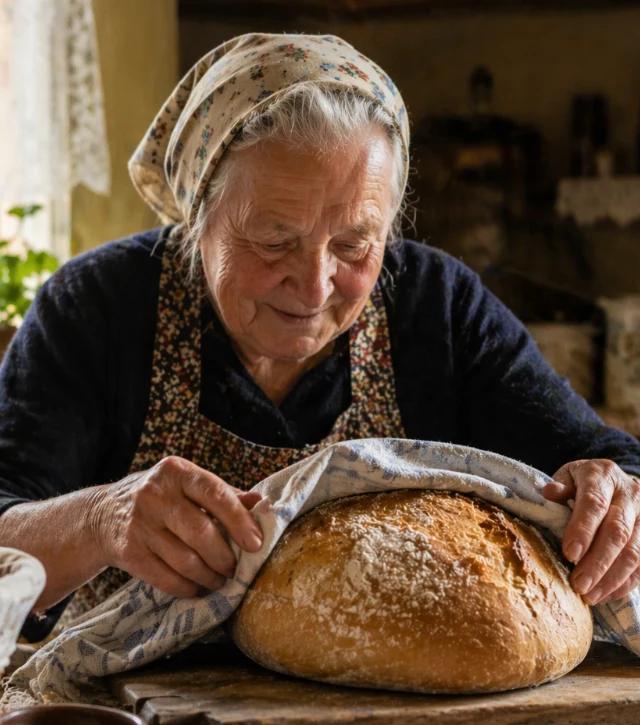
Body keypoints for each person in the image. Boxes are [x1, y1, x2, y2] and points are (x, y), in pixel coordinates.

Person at [0, 33, 639, 641]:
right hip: (134, 715)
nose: (313, 287)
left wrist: (618, 500)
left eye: (355, 244)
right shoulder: (97, 308)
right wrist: (100, 520)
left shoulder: (437, 309)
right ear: (199, 221)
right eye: (275, 241)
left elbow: (613, 465)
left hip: (387, 710)